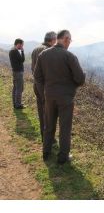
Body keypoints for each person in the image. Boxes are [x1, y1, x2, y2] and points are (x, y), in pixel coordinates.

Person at [34, 30, 85, 164]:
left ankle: (46, 152)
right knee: (65, 127)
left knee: (49, 125)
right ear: (66, 39)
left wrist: (43, 93)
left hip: (49, 96)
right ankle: (63, 157)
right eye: (70, 40)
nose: (70, 43)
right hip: (66, 98)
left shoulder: (43, 55)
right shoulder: (69, 56)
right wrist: (72, 86)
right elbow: (80, 78)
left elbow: (37, 77)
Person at [31, 31, 57, 141]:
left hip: (37, 85)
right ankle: (49, 139)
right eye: (56, 39)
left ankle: (44, 136)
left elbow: (34, 69)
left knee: (41, 112)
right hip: (46, 87)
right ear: (52, 40)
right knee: (49, 114)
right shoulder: (48, 51)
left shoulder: (35, 49)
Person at [9, 38, 25, 109]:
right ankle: (18, 104)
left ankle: (15, 103)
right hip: (18, 72)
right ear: (18, 44)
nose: (22, 46)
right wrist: (22, 51)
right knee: (19, 88)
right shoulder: (15, 51)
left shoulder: (11, 50)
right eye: (21, 44)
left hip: (15, 71)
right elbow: (22, 60)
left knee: (15, 88)